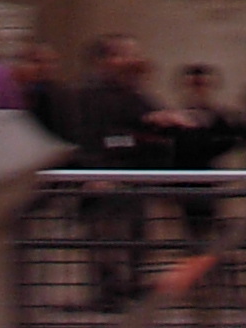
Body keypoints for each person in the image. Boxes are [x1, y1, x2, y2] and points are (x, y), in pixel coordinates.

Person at [73, 35, 179, 311]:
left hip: (133, 180)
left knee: (136, 237)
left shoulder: (136, 96)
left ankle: (131, 286)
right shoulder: (90, 96)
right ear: (105, 61)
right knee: (108, 240)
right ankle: (110, 292)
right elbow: (98, 138)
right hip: (105, 180)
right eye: (124, 54)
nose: (132, 61)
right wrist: (96, 171)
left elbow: (151, 130)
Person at [166, 61, 246, 244]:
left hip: (213, 183)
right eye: (193, 85)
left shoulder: (221, 116)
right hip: (183, 184)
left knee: (216, 235)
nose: (197, 90)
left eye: (202, 85)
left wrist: (220, 145)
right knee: (190, 236)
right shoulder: (174, 117)